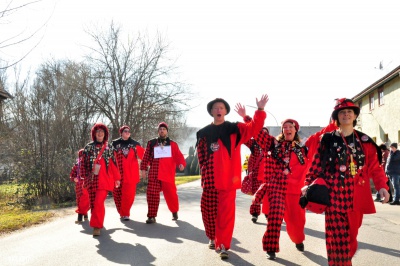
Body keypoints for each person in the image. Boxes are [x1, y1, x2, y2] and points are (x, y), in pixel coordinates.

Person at [302, 98, 389, 265]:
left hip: (356, 198)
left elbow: (375, 168)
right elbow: (316, 163)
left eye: (349, 111)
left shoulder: (365, 141)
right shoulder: (326, 139)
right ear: (337, 117)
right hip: (333, 196)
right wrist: (308, 182)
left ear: (355, 115)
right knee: (336, 241)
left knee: (351, 238)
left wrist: (382, 187)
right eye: (342, 112)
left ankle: (344, 259)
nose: (346, 114)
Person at [195, 94, 268, 259]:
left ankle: (223, 245)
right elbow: (201, 157)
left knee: (226, 215)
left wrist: (260, 110)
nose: (219, 110)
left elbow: (254, 127)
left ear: (226, 111)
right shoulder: (203, 133)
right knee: (208, 212)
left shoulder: (235, 129)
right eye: (216, 108)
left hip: (228, 180)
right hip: (210, 180)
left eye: (221, 107)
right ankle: (213, 237)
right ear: (211, 112)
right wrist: (204, 176)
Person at [252, 118, 310, 260]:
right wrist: (252, 115)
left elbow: (306, 167)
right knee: (274, 218)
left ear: (296, 130)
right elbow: (257, 132)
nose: (287, 129)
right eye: (285, 127)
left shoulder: (302, 149)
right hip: (276, 188)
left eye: (291, 126)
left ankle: (298, 239)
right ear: (282, 130)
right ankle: (270, 248)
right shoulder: (273, 145)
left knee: (297, 224)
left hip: (294, 190)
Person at [140, 122, 186, 224]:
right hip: (154, 173)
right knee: (152, 194)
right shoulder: (151, 143)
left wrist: (181, 164)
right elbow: (146, 156)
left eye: (164, 129)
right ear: (158, 131)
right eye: (160, 129)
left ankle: (174, 211)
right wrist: (143, 169)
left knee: (171, 194)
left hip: (167, 173)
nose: (162, 131)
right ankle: (151, 216)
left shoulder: (173, 144)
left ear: (167, 131)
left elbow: (178, 156)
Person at [80, 123, 121, 236]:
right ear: (94, 133)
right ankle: (98, 222)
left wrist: (117, 178)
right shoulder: (88, 147)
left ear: (105, 134)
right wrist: (83, 177)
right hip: (92, 180)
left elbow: (114, 164)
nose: (100, 133)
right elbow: (83, 164)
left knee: (98, 202)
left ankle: (96, 226)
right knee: (94, 203)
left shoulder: (109, 148)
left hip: (105, 180)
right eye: (97, 131)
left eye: (102, 131)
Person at [112, 125, 145, 220]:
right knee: (117, 195)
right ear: (121, 133)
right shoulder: (115, 144)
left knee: (129, 195)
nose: (127, 132)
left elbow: (144, 156)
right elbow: (110, 158)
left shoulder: (135, 144)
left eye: (128, 131)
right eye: (125, 131)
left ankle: (125, 213)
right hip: (118, 174)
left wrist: (148, 164)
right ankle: (122, 212)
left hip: (131, 174)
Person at [69, 148, 90, 224]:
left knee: (85, 200)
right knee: (80, 201)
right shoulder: (76, 165)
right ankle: (82, 216)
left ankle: (82, 216)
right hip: (78, 187)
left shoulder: (88, 165)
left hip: (86, 186)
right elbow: (71, 175)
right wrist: (74, 178)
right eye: (81, 156)